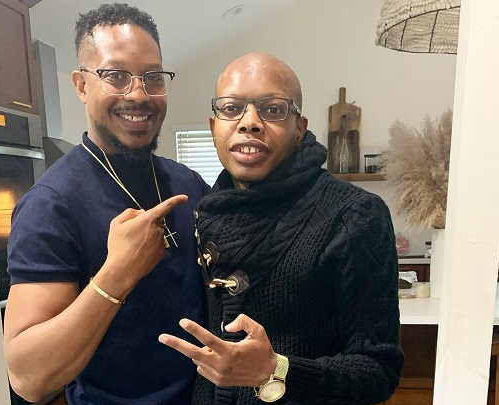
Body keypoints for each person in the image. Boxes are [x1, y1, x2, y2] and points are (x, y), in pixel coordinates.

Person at [158, 52, 404, 404]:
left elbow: (380, 371)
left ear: (299, 128)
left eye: (272, 109)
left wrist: (277, 370)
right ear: (214, 127)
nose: (249, 123)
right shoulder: (206, 210)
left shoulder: (355, 215)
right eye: (231, 108)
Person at [3, 3, 209, 404]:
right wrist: (117, 274)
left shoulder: (188, 183)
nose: (139, 94)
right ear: (82, 85)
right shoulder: (50, 206)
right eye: (116, 76)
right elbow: (28, 378)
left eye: (153, 77)